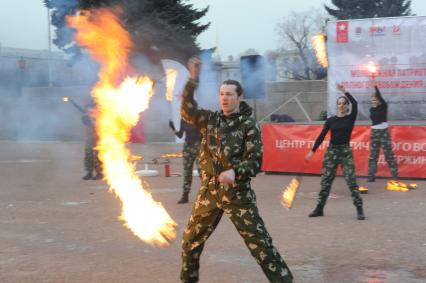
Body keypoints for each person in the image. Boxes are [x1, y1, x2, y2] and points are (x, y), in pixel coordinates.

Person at [179, 57, 293, 283]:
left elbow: (255, 161)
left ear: (240, 97)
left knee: (260, 245)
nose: (224, 98)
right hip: (209, 191)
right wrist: (193, 80)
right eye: (222, 94)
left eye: (229, 94)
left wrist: (235, 171)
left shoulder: (248, 125)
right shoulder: (210, 120)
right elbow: (186, 108)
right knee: (190, 242)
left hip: (237, 193)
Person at [305, 84, 365, 220]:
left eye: (344, 103)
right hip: (332, 152)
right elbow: (321, 136)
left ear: (347, 106)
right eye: (339, 103)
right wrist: (312, 151)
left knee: (351, 181)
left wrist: (345, 91)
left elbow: (355, 103)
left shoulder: (350, 118)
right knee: (326, 181)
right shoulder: (331, 120)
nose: (342, 105)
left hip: (345, 151)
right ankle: (319, 209)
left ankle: (359, 209)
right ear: (337, 106)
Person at [367, 86, 398, 182]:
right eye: (372, 100)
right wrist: (374, 105)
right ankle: (371, 176)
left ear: (378, 99)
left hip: (383, 131)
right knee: (373, 155)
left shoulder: (384, 106)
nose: (373, 101)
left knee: (388, 154)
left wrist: (375, 86)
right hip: (374, 132)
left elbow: (379, 96)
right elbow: (374, 120)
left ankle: (394, 175)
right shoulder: (371, 109)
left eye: (375, 99)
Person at [169, 118, 201, 203]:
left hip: (199, 147)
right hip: (187, 147)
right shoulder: (183, 120)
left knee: (202, 172)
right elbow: (180, 135)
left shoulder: (199, 117)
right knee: (187, 172)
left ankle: (208, 195)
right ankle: (185, 196)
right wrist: (173, 128)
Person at [82, 102, 102, 180]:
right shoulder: (86, 118)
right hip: (89, 139)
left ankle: (99, 173)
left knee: (97, 157)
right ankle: (89, 172)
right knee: (88, 156)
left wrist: (94, 119)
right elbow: (85, 122)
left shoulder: (100, 118)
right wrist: (89, 117)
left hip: (98, 140)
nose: (89, 112)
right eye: (87, 111)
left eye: (91, 110)